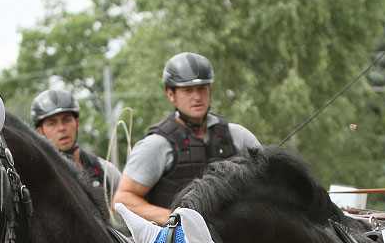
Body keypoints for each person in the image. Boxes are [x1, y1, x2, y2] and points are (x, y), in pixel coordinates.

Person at [113, 52, 261, 224]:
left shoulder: (239, 136)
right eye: (188, 90)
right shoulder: (156, 145)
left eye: (202, 89)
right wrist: (175, 220)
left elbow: (269, 184)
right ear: (171, 94)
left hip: (235, 238)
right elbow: (122, 200)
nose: (197, 97)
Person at [31, 88, 123, 197]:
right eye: (52, 123)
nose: (61, 128)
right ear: (40, 132)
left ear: (77, 123)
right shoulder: (36, 178)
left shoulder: (105, 171)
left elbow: (128, 204)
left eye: (66, 120)